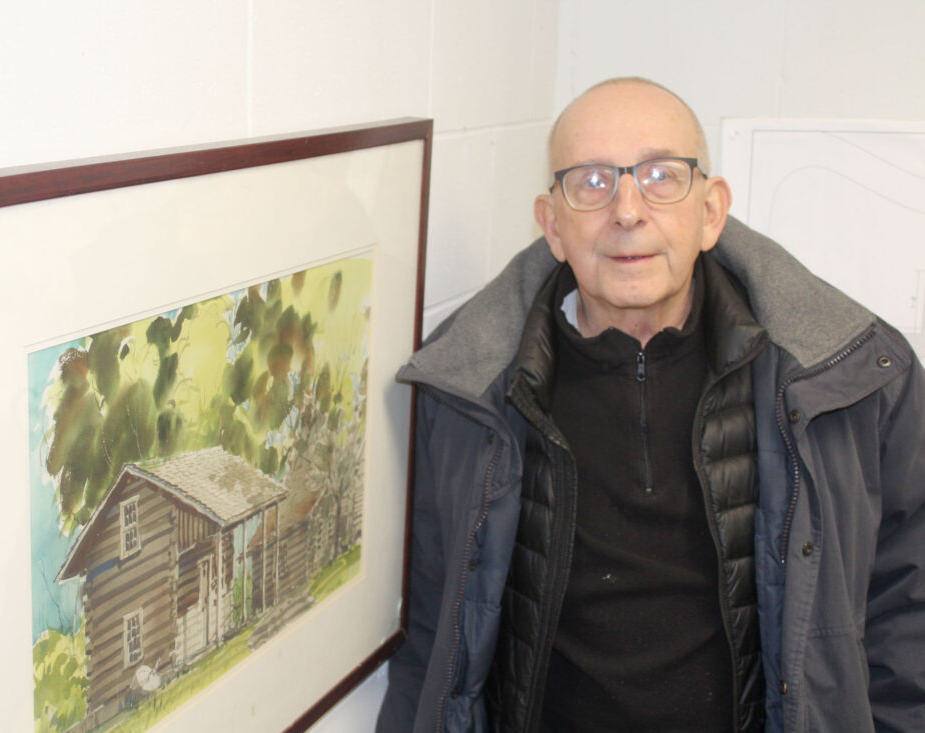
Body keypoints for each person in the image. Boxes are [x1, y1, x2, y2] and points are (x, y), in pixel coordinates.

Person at [376, 77, 925, 732]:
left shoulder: (852, 379)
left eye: (662, 176)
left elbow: (907, 612)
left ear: (711, 212)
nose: (628, 211)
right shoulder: (470, 393)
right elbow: (433, 639)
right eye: (592, 182)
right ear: (552, 225)